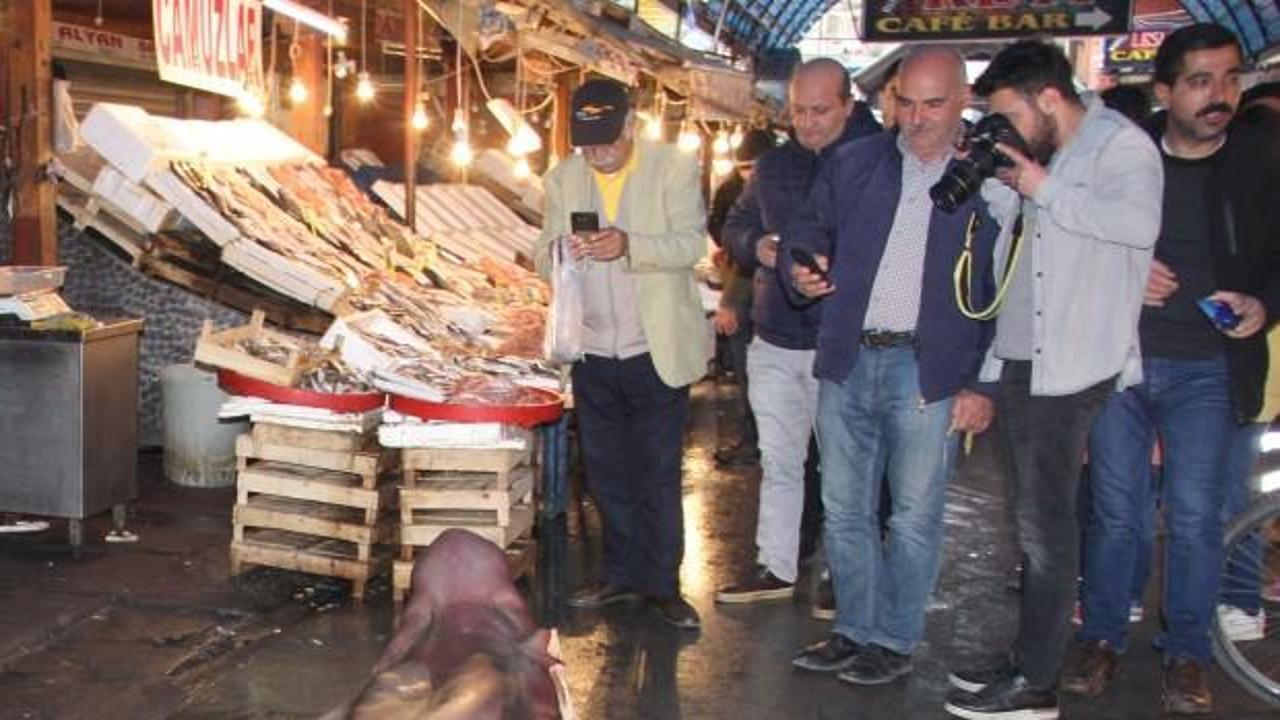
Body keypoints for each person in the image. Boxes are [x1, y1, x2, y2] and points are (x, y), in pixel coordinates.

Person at [942, 39, 1162, 719]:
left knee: (1046, 530)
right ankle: (1024, 663)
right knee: (1030, 525)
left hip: (1071, 363)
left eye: (1008, 112)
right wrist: (1007, 187)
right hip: (1022, 357)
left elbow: (1135, 226)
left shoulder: (1118, 148)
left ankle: (1036, 684)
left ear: (1048, 98)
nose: (1005, 127)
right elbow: (1023, 258)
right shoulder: (1048, 159)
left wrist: (1042, 185)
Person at [1064, 24, 1280, 715]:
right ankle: (1101, 637)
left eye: (1229, 78)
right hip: (1121, 361)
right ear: (1164, 91)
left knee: (1195, 516)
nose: (1219, 95)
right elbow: (1065, 244)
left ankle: (1187, 651)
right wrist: (1123, 272)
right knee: (1117, 513)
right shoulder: (1120, 159)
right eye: (1199, 81)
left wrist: (1265, 305)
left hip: (1208, 366)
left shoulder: (1260, 158)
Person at [782, 47, 1000, 686]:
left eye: (934, 103)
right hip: (849, 356)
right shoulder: (856, 163)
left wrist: (983, 381)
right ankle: (854, 628)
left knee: (913, 513)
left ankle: (895, 638)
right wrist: (802, 266)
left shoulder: (990, 179)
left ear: (965, 100)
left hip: (925, 366)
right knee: (844, 506)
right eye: (907, 102)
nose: (917, 117)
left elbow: (1006, 291)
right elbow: (807, 230)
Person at [536, 78, 711, 630]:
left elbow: (691, 244)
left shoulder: (673, 168)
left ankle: (662, 584)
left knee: (657, 470)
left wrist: (630, 244)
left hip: (651, 348)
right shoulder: (563, 178)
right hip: (592, 350)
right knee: (607, 470)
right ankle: (619, 574)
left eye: (606, 143)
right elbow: (543, 255)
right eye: (587, 144)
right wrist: (561, 255)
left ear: (631, 126)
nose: (596, 154)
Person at [714, 59, 880, 611]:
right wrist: (754, 244)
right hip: (775, 334)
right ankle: (776, 564)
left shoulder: (875, 160)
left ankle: (842, 570)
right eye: (798, 112)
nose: (807, 123)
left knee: (845, 466)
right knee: (781, 459)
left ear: (847, 107)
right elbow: (733, 224)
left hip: (841, 340)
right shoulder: (773, 165)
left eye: (819, 111)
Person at [708, 129, 777, 468]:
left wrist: (730, 303)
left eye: (753, 167)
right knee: (748, 375)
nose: (749, 175)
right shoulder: (734, 192)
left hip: (763, 303)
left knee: (757, 377)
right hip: (749, 295)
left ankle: (758, 442)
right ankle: (754, 440)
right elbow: (734, 244)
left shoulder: (776, 192)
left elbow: (752, 261)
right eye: (744, 168)